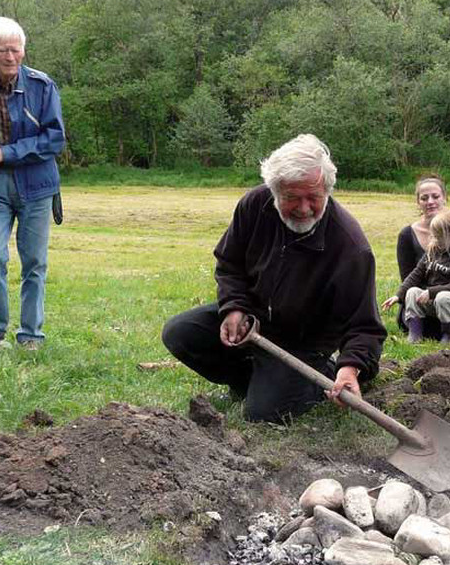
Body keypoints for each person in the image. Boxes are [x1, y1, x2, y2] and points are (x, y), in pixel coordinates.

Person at [161, 134, 386, 422]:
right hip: (253, 324)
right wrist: (233, 306)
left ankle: (318, 375)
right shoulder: (255, 206)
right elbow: (230, 263)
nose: (304, 209)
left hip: (303, 345)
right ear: (274, 191)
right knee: (180, 333)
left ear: (327, 191)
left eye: (314, 198)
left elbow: (365, 325)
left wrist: (350, 368)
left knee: (263, 414)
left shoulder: (350, 247)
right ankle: (255, 380)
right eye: (292, 198)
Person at [0, 16, 66, 351]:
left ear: (24, 51)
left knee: (34, 263)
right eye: (3, 51)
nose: (10, 57)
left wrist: (4, 153)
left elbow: (55, 139)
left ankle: (31, 335)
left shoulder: (43, 86)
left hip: (37, 186)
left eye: (16, 50)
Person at [393, 175, 450, 341]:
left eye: (435, 196)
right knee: (416, 323)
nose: (430, 201)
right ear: (418, 202)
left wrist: (444, 295)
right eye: (424, 198)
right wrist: (425, 296)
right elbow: (409, 276)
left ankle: (448, 328)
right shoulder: (406, 235)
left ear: (445, 198)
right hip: (420, 300)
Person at [383, 210, 450, 344]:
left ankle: (448, 336)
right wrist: (398, 295)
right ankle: (415, 334)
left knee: (444, 297)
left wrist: (431, 292)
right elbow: (416, 274)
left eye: (439, 237)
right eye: (434, 236)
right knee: (412, 292)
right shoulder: (432, 252)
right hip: (434, 301)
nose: (435, 240)